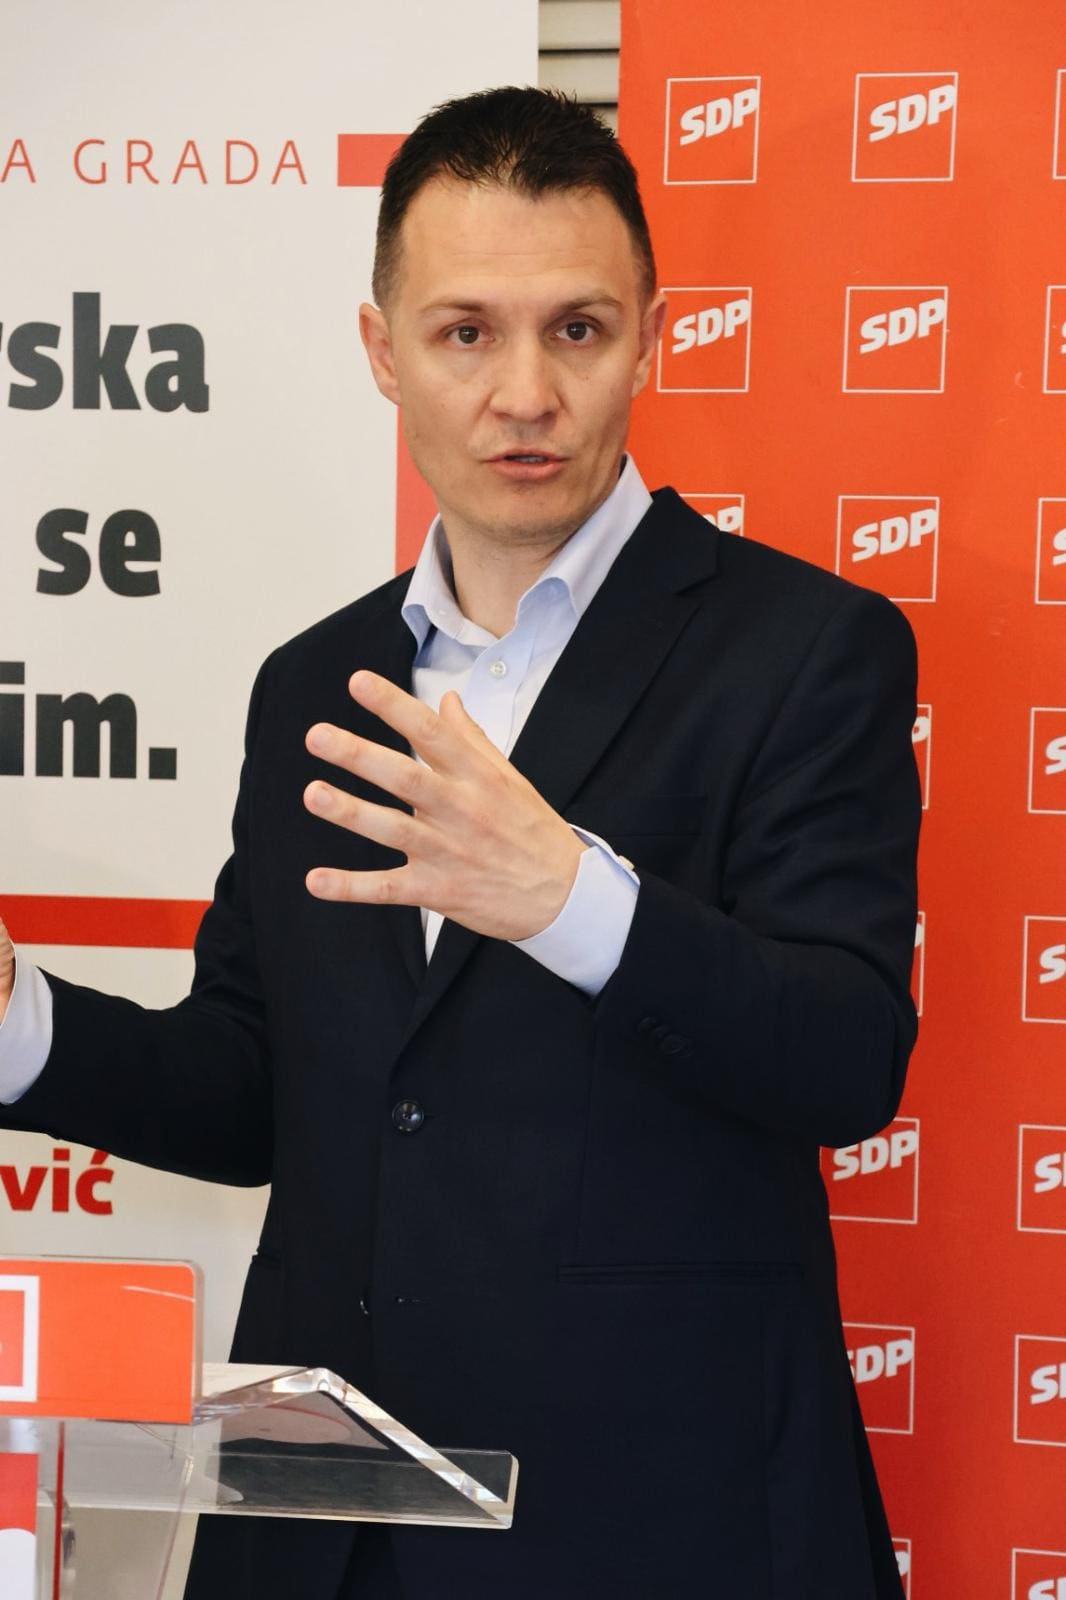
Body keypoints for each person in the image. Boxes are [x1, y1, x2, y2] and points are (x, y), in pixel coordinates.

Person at [0, 88, 919, 1599]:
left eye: (577, 330)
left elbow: (844, 1057)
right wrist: (19, 1020)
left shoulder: (807, 649)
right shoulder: (315, 683)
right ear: (383, 350)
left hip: (651, 1520)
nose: (524, 394)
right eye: (465, 333)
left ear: (651, 336)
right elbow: (257, 1088)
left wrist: (567, 899)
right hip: (319, 1521)